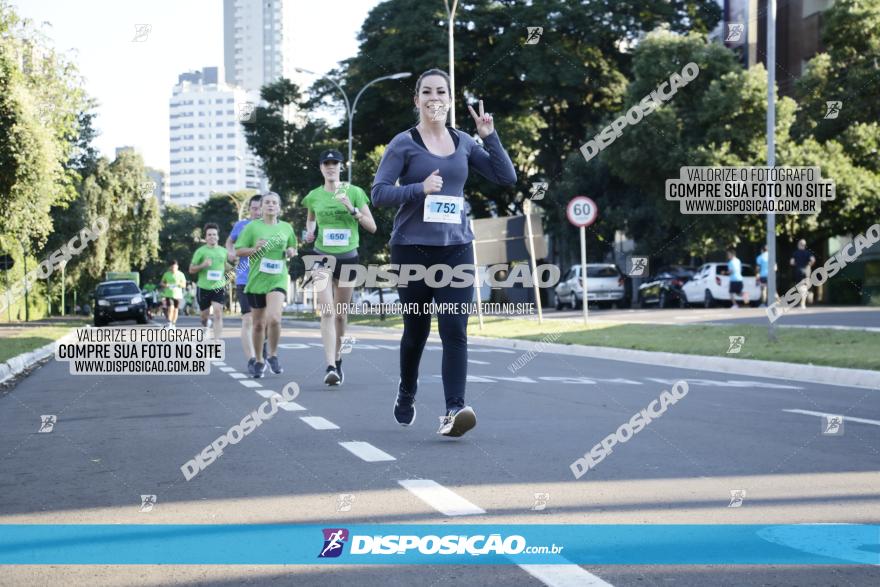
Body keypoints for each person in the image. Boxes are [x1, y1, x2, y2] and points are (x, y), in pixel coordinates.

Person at [371, 68, 517, 437]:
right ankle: (407, 390)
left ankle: (454, 408)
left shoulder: (465, 142)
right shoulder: (402, 143)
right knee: (416, 331)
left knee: (455, 329)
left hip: (456, 249)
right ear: (416, 100)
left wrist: (490, 136)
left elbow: (506, 178)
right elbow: (379, 193)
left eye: (441, 92)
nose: (434, 98)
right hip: (411, 250)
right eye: (427, 92)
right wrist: (418, 188)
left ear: (450, 100)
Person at [303, 149, 377, 386]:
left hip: (348, 258)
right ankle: (330, 366)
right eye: (326, 163)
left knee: (341, 315)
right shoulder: (314, 196)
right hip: (321, 256)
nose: (331, 167)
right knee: (326, 311)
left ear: (341, 167)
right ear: (321, 168)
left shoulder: (354, 192)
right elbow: (311, 218)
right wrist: (310, 232)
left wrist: (352, 209)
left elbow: (372, 227)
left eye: (335, 163)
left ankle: (338, 358)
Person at [234, 191, 297, 378]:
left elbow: (293, 247)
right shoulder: (252, 228)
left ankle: (273, 355)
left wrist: (291, 252)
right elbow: (239, 251)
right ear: (261, 207)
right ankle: (260, 361)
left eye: (274, 203)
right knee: (259, 325)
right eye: (267, 202)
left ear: (279, 207)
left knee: (275, 318)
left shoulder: (286, 228)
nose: (270, 205)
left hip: (277, 278)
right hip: (256, 281)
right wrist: (254, 249)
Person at [226, 194, 268, 375]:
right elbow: (230, 241)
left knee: (264, 321)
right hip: (244, 278)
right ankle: (252, 359)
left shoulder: (271, 226)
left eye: (260, 208)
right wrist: (230, 253)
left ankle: (261, 350)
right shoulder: (241, 225)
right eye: (254, 208)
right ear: (249, 209)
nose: (257, 211)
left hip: (266, 278)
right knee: (248, 319)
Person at [189, 223, 228, 340]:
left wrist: (232, 274)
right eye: (209, 235)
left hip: (219, 287)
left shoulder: (223, 251)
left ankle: (216, 341)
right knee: (204, 316)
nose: (212, 237)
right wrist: (203, 265)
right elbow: (191, 269)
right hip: (204, 287)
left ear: (218, 237)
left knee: (218, 313)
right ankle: (205, 325)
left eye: (214, 234)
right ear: (205, 237)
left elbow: (226, 266)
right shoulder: (200, 252)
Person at [160, 260, 186, 328]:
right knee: (170, 308)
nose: (174, 268)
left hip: (178, 295)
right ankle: (169, 322)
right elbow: (161, 283)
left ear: (177, 267)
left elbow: (184, 285)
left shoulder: (181, 274)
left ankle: (174, 323)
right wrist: (166, 285)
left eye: (175, 267)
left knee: (176, 309)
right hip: (169, 294)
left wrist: (178, 284)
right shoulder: (166, 274)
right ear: (170, 267)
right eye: (172, 267)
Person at [790, 239, 815, 309]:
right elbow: (813, 260)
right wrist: (809, 265)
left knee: (800, 287)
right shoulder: (808, 253)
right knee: (805, 286)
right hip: (806, 271)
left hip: (798, 271)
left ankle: (802, 303)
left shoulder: (795, 253)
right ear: (804, 245)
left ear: (798, 245)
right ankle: (803, 302)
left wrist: (796, 264)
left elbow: (791, 262)